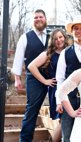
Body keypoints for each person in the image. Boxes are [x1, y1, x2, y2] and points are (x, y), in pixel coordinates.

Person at [55, 15, 81, 142]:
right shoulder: (65, 53)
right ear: (72, 32)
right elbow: (60, 78)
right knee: (67, 135)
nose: (78, 31)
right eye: (76, 28)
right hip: (69, 99)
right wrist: (59, 101)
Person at [12, 9, 49, 142]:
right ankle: (25, 139)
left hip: (52, 78)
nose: (38, 19)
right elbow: (18, 58)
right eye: (35, 17)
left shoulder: (52, 36)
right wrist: (17, 79)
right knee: (32, 110)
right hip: (33, 79)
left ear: (45, 19)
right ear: (32, 21)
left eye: (41, 17)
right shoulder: (25, 37)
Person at [27, 28, 69, 142]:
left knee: (65, 120)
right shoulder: (48, 54)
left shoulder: (69, 51)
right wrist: (45, 81)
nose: (59, 40)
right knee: (63, 120)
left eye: (60, 37)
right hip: (57, 89)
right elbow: (31, 66)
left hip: (70, 88)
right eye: (55, 39)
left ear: (64, 37)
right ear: (52, 41)